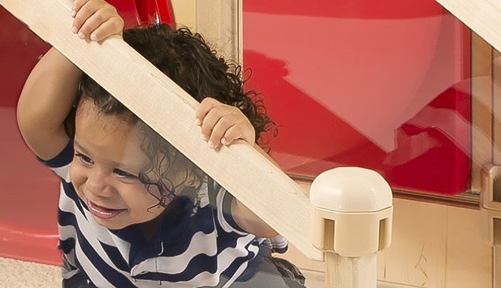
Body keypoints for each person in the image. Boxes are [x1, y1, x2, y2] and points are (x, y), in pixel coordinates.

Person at [16, 0, 304, 287]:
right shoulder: (80, 163)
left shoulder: (210, 199)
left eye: (124, 173)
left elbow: (273, 216)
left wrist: (239, 148)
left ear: (191, 172)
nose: (94, 185)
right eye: (85, 158)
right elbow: (35, 121)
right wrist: (82, 40)